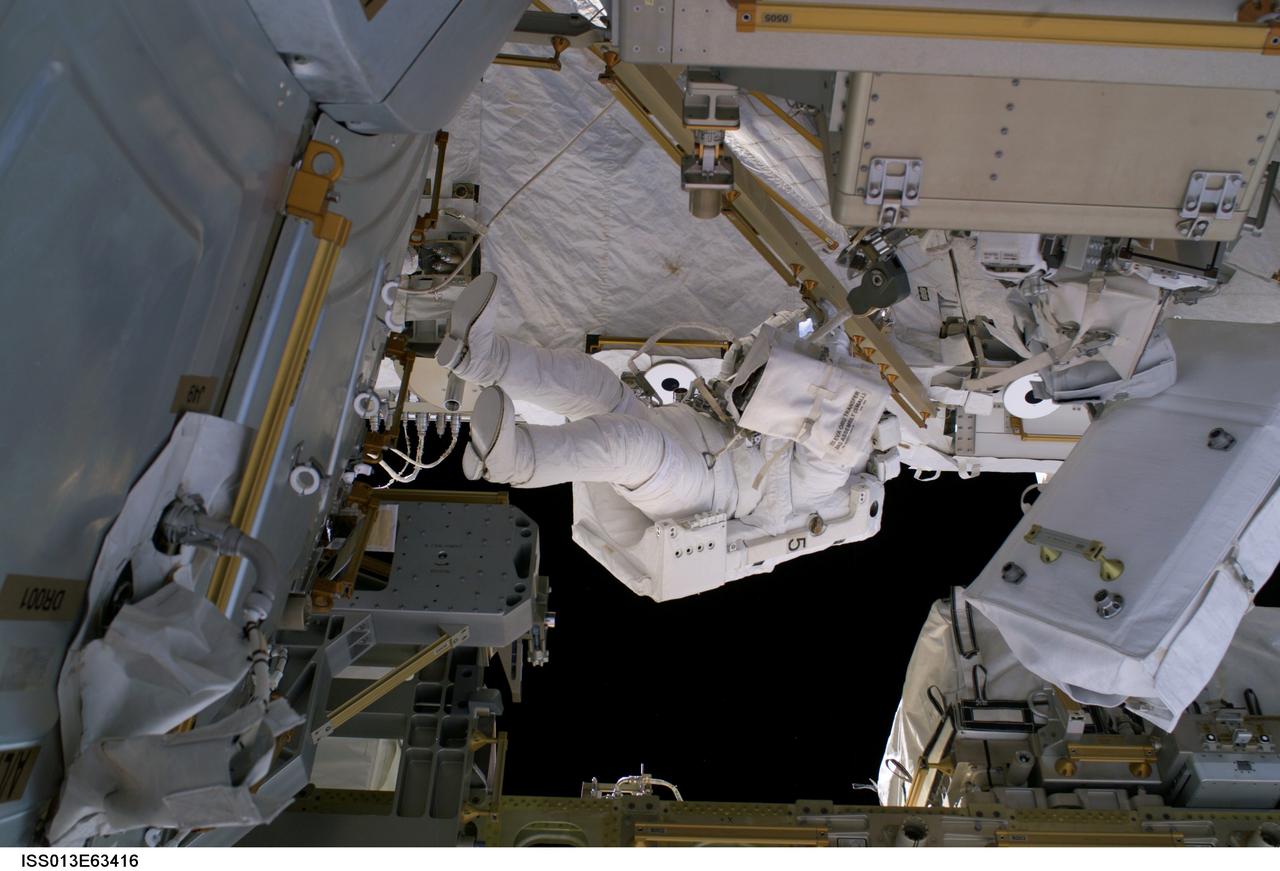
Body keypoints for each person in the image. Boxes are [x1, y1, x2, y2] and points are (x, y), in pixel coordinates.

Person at [436, 273, 893, 550]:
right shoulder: (825, 444)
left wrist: (827, 358)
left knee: (632, 448)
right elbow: (770, 369)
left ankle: (515, 462)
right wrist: (819, 328)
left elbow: (829, 421)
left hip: (708, 488)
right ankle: (481, 357)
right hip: (689, 428)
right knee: (594, 383)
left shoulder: (828, 478)